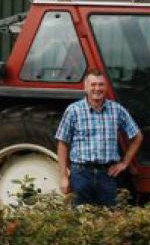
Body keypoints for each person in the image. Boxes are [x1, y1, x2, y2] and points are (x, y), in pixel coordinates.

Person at [55, 69, 142, 208]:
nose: (97, 88)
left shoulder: (117, 110)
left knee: (109, 221)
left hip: (107, 175)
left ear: (106, 87)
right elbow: (62, 143)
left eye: (101, 85)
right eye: (93, 84)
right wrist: (64, 176)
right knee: (79, 220)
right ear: (85, 87)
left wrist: (124, 163)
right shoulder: (73, 110)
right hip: (80, 175)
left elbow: (137, 136)